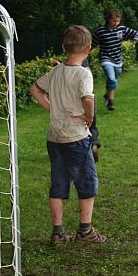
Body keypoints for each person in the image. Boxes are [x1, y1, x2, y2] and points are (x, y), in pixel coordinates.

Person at [29, 25, 107, 245]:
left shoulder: (55, 71)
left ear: (64, 47)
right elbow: (88, 99)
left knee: (58, 184)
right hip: (76, 138)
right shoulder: (84, 74)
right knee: (87, 183)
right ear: (89, 48)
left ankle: (58, 232)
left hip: (54, 139)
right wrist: (88, 116)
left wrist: (52, 108)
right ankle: (85, 231)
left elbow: (35, 89)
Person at [92, 10, 138, 111]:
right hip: (106, 58)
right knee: (111, 79)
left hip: (118, 60)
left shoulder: (122, 29)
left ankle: (108, 95)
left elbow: (137, 34)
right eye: (113, 21)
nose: (116, 23)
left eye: (118, 21)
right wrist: (82, 56)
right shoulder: (101, 31)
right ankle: (110, 102)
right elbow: (92, 44)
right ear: (108, 19)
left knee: (114, 81)